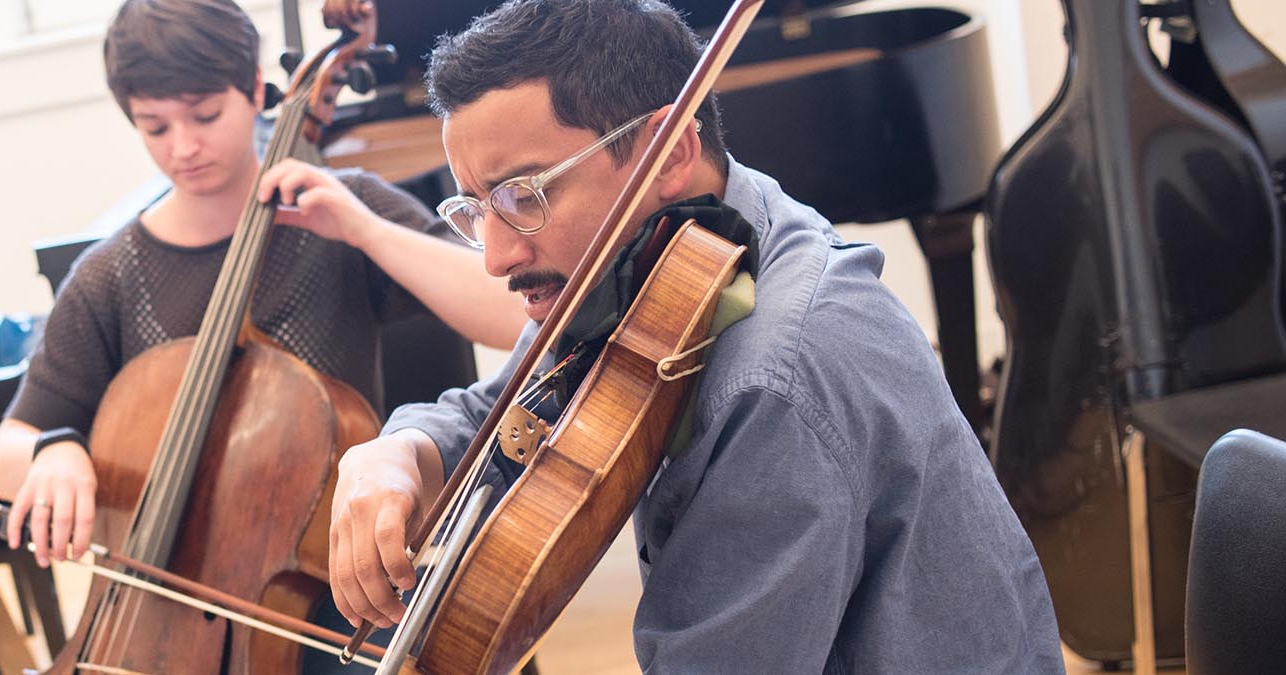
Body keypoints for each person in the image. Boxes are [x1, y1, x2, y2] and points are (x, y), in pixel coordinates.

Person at [323, 0, 1064, 671]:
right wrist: (396, 452)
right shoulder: (669, 251)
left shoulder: (776, 377)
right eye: (475, 208)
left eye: (525, 195)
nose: (494, 256)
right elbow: (506, 408)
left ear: (668, 150)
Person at [0, 0, 523, 574]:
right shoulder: (110, 276)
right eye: (155, 127)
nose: (183, 146)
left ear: (254, 91)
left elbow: (518, 317)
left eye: (206, 114)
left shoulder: (341, 206)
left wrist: (365, 231)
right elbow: (5, 452)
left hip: (334, 574)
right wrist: (52, 452)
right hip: (167, 589)